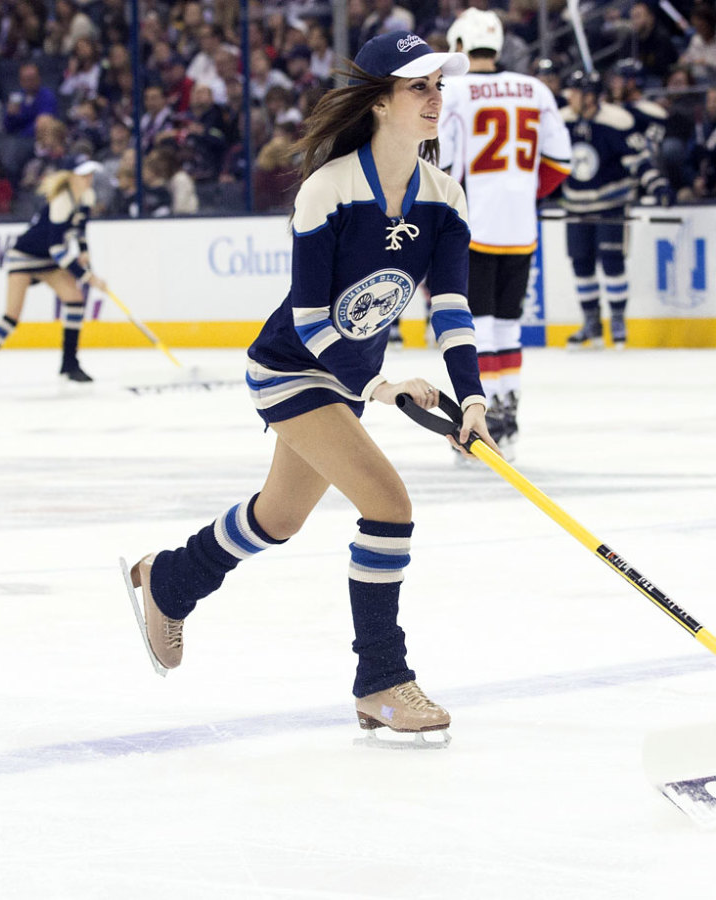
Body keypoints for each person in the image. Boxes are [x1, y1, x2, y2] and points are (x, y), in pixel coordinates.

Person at [122, 31, 498, 743]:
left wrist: (473, 398)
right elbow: (310, 317)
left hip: (346, 378)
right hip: (293, 368)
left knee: (279, 518)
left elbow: (449, 309)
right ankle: (382, 681)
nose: (434, 99)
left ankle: (169, 578)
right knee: (389, 505)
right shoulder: (329, 189)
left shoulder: (445, 198)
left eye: (438, 87)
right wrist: (384, 384)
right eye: (418, 87)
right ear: (381, 101)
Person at [440, 9, 571, 445]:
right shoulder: (535, 89)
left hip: (471, 225)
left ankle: (486, 408)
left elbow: (441, 164)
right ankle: (508, 404)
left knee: (474, 323)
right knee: (508, 322)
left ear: (459, 44)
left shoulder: (453, 89)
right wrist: (522, 194)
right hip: (520, 227)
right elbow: (559, 162)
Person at [0, 160, 108, 388]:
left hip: (49, 261)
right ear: (70, 176)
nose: (88, 180)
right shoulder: (61, 202)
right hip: (25, 256)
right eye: (83, 175)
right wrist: (86, 276)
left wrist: (84, 252)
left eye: (90, 175)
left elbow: (80, 230)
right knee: (12, 316)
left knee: (74, 300)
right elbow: (57, 248)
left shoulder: (87, 196)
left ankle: (69, 364)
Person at [558, 68, 672, 349]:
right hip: (575, 205)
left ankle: (618, 319)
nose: (569, 97)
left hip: (611, 203)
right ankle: (591, 322)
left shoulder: (616, 121)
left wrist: (657, 185)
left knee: (612, 263)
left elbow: (638, 160)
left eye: (575, 92)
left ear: (590, 97)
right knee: (581, 265)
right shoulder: (562, 122)